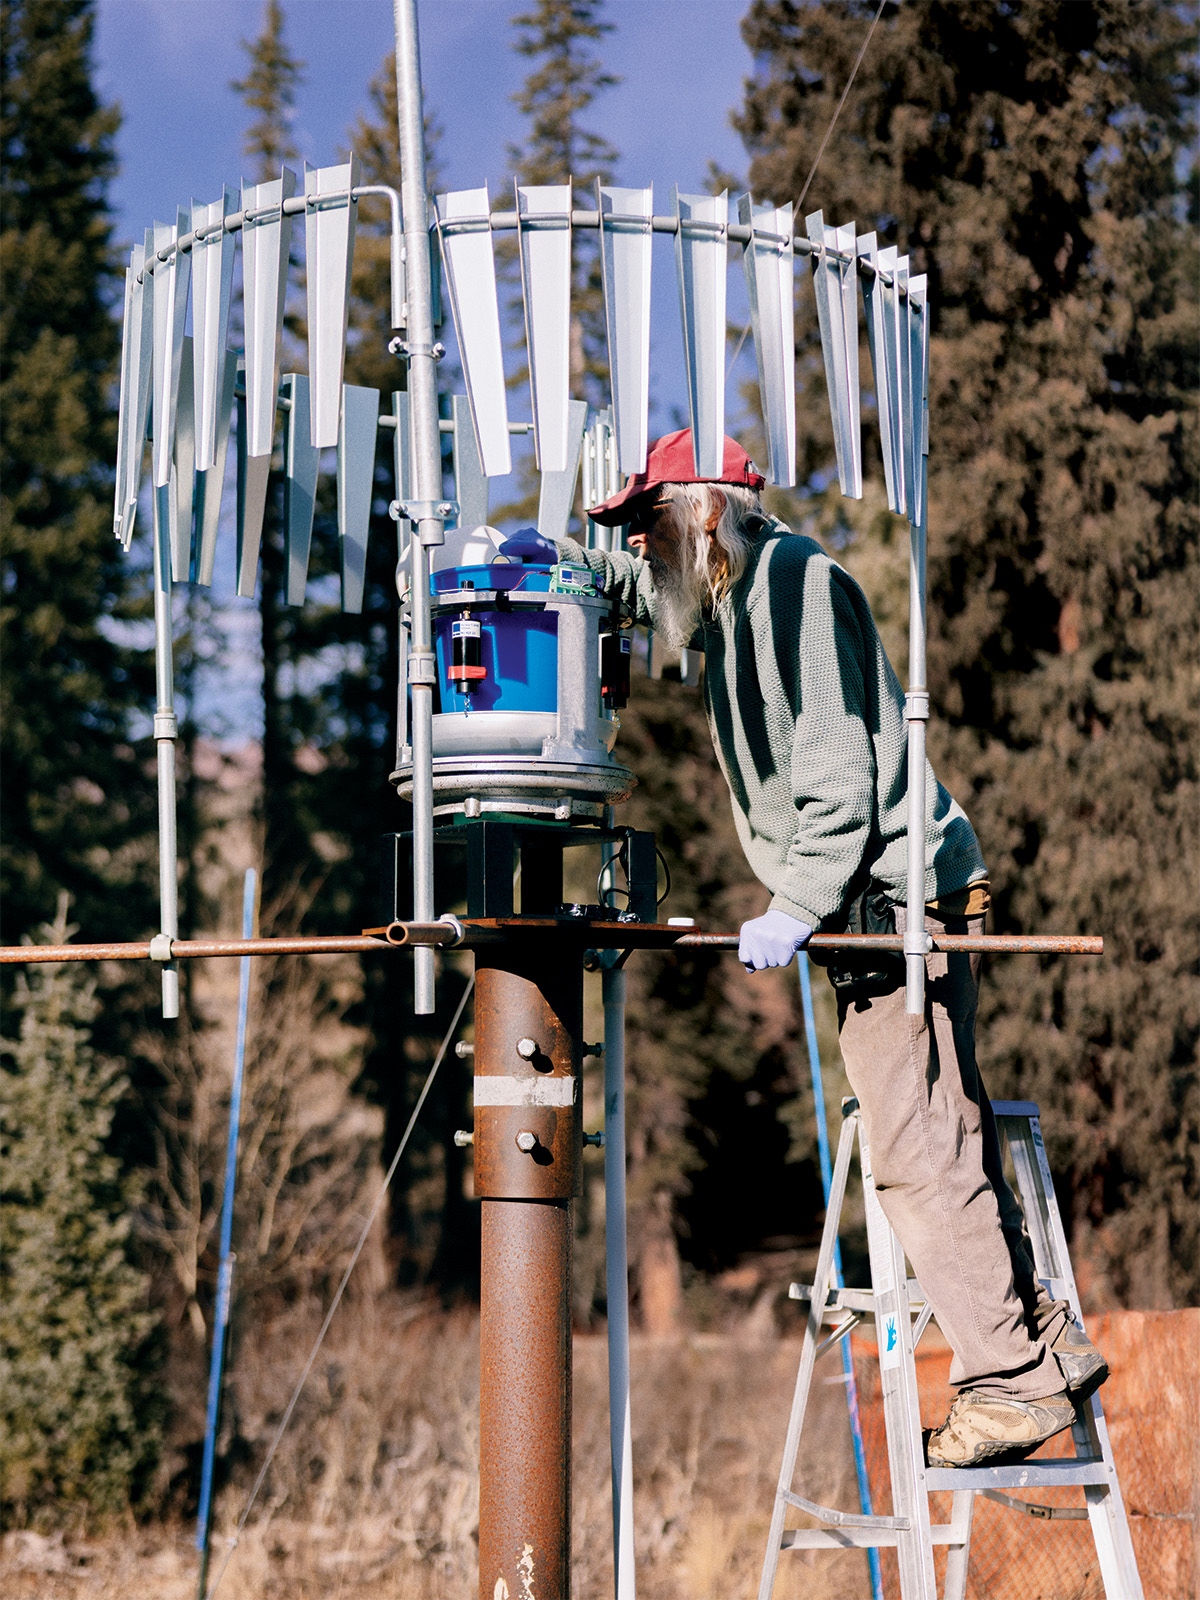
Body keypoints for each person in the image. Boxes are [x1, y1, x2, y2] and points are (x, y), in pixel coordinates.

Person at [500, 428, 1107, 1467]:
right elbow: (643, 592)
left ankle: (1008, 1383)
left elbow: (838, 776)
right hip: (879, 895)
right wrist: (556, 558)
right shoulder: (725, 588)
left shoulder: (793, 587)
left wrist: (796, 902)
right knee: (943, 1124)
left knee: (917, 1148)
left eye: (646, 525)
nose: (638, 550)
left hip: (886, 894)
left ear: (702, 515)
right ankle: (1043, 1343)